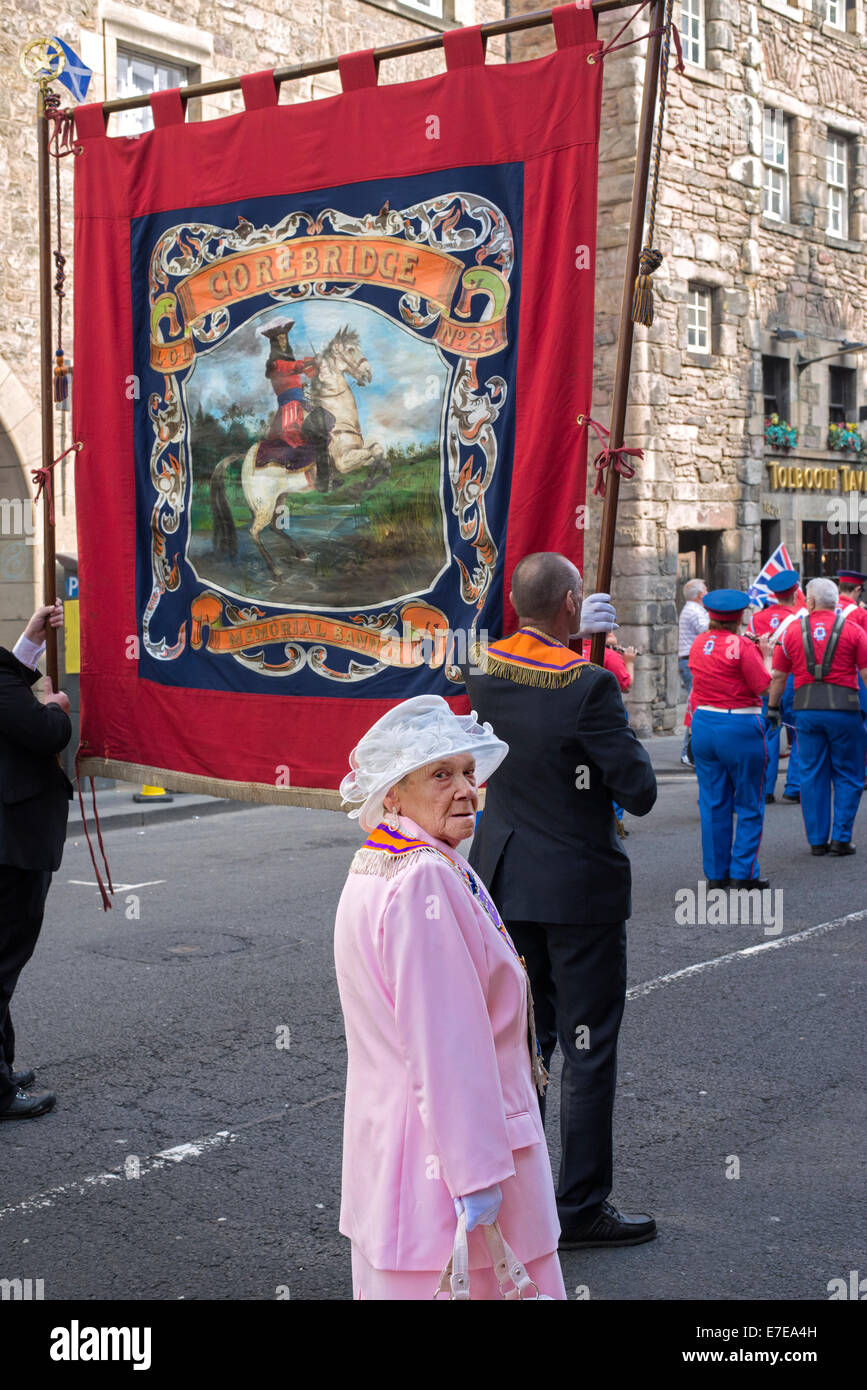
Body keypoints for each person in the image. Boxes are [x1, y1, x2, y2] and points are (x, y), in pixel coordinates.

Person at [335, 695, 565, 1299]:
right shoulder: (426, 876)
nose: (466, 789)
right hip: (448, 1170)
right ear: (393, 793)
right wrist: (478, 1177)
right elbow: (447, 1044)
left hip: (398, 1157)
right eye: (441, 775)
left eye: (468, 772)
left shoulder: (383, 859)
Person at [462, 552, 658, 1249]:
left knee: (520, 1044)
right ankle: (577, 1209)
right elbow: (638, 789)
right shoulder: (589, 686)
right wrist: (600, 676)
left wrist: (579, 653)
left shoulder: (480, 672)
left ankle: (512, 1201)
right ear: (572, 604)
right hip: (576, 888)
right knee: (585, 1046)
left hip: (507, 878)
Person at [0, 601, 72, 1120]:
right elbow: (43, 732)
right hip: (11, 846)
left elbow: (7, 683)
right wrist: (57, 710)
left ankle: (0, 1069)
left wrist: (30, 639)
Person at [768, 577, 867, 856]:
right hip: (845, 711)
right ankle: (841, 838)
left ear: (809, 602)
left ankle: (816, 840)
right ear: (835, 601)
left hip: (807, 711)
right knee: (849, 773)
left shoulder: (791, 632)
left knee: (812, 773)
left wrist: (773, 709)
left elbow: (778, 676)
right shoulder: (854, 630)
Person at [688, 589, 771, 889]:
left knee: (713, 802)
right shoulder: (743, 646)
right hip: (739, 724)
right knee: (749, 801)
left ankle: (716, 873)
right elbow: (763, 685)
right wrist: (768, 655)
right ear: (739, 617)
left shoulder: (699, 643)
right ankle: (743, 872)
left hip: (705, 723)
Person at [748, 569, 803, 805]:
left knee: (768, 732)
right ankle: (794, 787)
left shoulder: (757, 618)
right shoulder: (802, 616)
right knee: (800, 733)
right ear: (795, 591)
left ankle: (765, 789)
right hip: (792, 679)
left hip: (766, 678)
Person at [678, 578, 709, 765]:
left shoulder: (694, 609)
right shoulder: (693, 610)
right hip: (691, 662)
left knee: (695, 706)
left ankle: (689, 751)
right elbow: (706, 630)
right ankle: (687, 752)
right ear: (699, 595)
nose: (707, 593)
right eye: (706, 590)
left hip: (690, 661)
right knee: (695, 707)